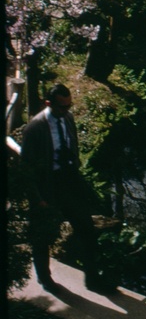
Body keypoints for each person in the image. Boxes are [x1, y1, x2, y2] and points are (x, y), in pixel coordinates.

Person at [21, 83, 109, 293]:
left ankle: (92, 278)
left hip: (69, 180)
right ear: (48, 103)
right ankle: (45, 278)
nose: (66, 111)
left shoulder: (68, 118)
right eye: (62, 107)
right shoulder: (34, 128)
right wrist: (37, 197)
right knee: (43, 236)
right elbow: (26, 168)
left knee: (86, 229)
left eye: (69, 106)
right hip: (47, 186)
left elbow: (72, 144)